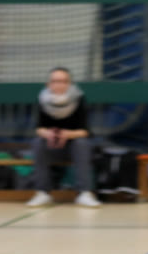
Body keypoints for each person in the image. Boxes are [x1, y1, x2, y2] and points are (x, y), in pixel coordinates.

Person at [27, 66, 101, 208]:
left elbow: (85, 131)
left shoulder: (79, 99)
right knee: (38, 143)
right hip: (52, 147)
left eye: (63, 81)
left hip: (73, 149)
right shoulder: (42, 99)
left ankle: (84, 193)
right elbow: (39, 128)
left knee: (82, 143)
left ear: (69, 83)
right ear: (49, 84)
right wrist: (48, 134)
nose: (59, 84)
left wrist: (67, 134)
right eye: (55, 81)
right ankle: (42, 192)